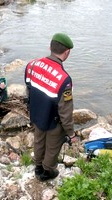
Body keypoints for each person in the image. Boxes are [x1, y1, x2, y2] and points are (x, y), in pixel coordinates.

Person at [24, 33, 78, 182]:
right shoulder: (64, 79)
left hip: (37, 114)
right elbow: (65, 111)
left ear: (50, 47)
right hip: (53, 120)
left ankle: (38, 167)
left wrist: (33, 108)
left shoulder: (32, 65)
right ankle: (47, 171)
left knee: (39, 140)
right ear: (67, 52)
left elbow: (28, 88)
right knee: (53, 146)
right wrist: (71, 134)